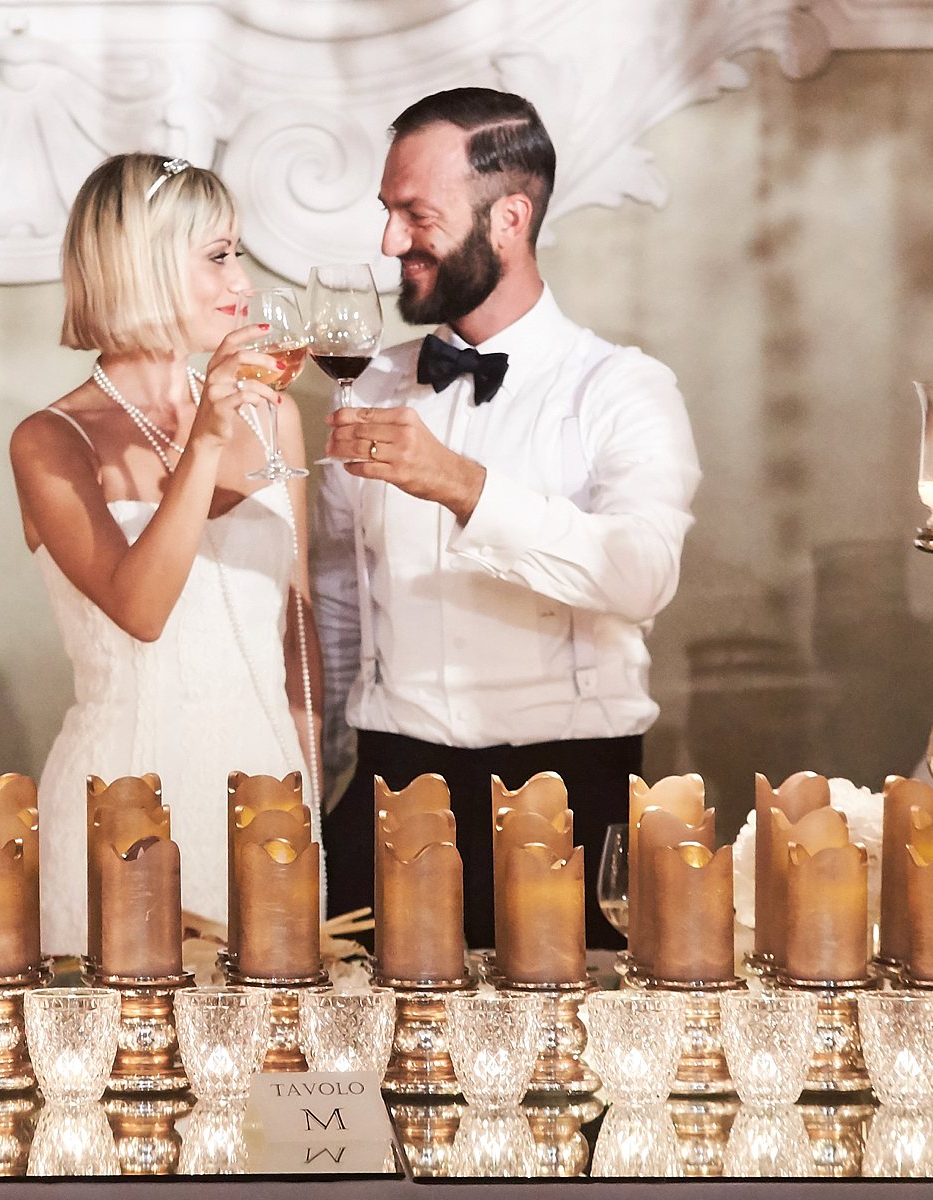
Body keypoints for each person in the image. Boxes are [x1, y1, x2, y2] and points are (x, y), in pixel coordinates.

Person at [314, 89, 700, 950]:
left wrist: (463, 486)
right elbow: (340, 595)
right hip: (389, 785)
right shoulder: (369, 384)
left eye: (417, 215)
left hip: (566, 795)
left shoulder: (623, 389)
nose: (390, 243)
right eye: (388, 212)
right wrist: (318, 771)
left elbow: (641, 577)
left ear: (509, 218)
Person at [10, 153, 321, 956]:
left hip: (267, 800)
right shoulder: (50, 441)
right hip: (124, 800)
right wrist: (205, 441)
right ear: (141, 264)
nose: (243, 280)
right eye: (218, 255)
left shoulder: (275, 418)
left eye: (239, 253)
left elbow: (298, 635)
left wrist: (308, 798)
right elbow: (141, 609)